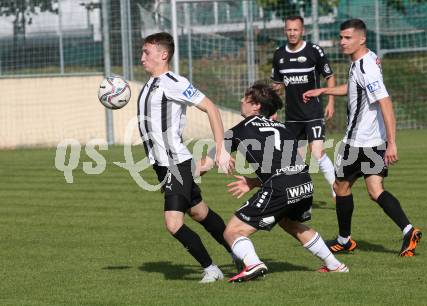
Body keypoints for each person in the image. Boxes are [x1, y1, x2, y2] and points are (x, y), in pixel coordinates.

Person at [197, 83, 349, 283]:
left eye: (246, 98)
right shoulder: (282, 127)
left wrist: (178, 177)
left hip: (281, 187)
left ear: (256, 106)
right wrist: (254, 181)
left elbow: (204, 165)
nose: (241, 101)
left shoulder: (240, 130)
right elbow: (289, 164)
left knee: (233, 231)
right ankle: (335, 265)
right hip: (304, 182)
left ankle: (253, 263)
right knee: (290, 223)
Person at [303, 19, 422, 256]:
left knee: (341, 186)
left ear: (361, 38)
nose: (342, 42)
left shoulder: (366, 67)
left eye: (347, 38)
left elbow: (385, 103)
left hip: (357, 142)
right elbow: (354, 88)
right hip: (373, 141)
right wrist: (324, 90)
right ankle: (408, 229)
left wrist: (393, 142)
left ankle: (344, 240)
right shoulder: (365, 61)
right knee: (375, 190)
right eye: (341, 37)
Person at [138, 32, 236, 283]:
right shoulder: (150, 84)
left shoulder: (174, 82)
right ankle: (239, 252)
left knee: (173, 223)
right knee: (200, 213)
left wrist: (221, 149)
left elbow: (211, 108)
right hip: (162, 166)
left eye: (146, 53)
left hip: (175, 164)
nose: (142, 58)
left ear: (163, 55)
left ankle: (211, 269)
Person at [271, 15, 336, 200]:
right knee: (296, 159)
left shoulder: (314, 51)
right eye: (289, 30)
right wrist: (273, 110)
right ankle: (300, 195)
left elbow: (329, 76)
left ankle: (335, 187)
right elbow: (277, 86)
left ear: (302, 31)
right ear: (285, 31)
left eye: (295, 29)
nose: (292, 33)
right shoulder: (279, 55)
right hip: (292, 117)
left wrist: (330, 101)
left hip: (313, 113)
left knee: (317, 152)